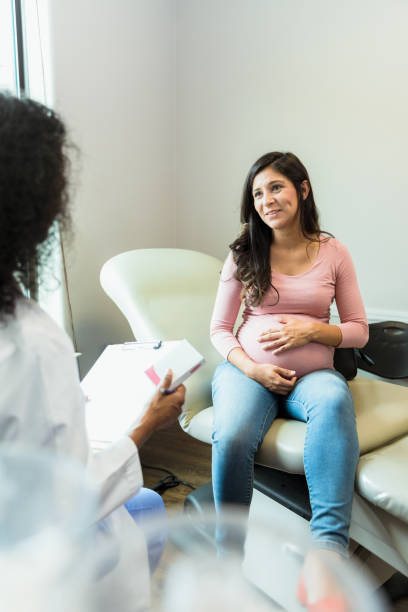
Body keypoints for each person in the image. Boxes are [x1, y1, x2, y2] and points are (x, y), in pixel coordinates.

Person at [0, 92, 185, 609]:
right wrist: (147, 424)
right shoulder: (31, 343)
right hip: (42, 572)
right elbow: (68, 500)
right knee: (146, 509)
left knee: (146, 501)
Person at [210, 151, 368, 608]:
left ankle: (327, 556)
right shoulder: (244, 253)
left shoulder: (333, 252)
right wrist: (254, 369)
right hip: (249, 373)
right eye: (258, 193)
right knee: (234, 435)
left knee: (335, 403)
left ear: (302, 189)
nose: (267, 200)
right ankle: (226, 559)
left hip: (314, 378)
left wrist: (313, 329)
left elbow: (359, 328)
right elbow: (220, 331)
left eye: (276, 187)